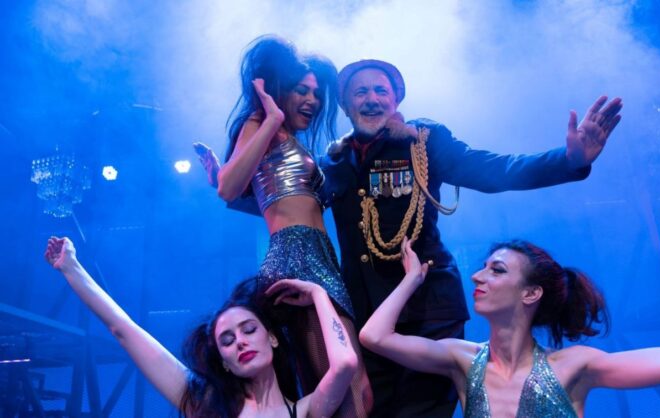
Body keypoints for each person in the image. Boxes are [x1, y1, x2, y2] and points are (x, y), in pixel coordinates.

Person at [318, 59, 623, 417]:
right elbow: (281, 203)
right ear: (345, 105)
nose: (371, 99)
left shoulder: (423, 141)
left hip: (428, 311)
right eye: (360, 92)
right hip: (365, 316)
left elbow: (494, 169)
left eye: (380, 90)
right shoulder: (332, 161)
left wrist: (569, 160)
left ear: (396, 100)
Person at [360, 199, 660, 417]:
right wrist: (412, 280)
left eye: (497, 270)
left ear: (531, 293)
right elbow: (374, 336)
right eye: (483, 267)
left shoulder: (574, 366)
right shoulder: (461, 360)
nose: (477, 276)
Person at [193, 35, 371, 416]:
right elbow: (228, 188)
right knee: (349, 388)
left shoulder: (293, 141)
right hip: (296, 258)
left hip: (320, 258)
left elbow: (278, 201)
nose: (312, 100)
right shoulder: (262, 122)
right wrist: (271, 117)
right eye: (301, 91)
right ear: (278, 91)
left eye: (316, 93)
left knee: (347, 388)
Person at [44, 236, 359, 417]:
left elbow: (345, 363)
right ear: (224, 361)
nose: (240, 341)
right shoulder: (206, 404)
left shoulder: (304, 411)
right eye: (227, 340)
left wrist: (318, 294)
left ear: (273, 338)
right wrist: (71, 269)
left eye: (249, 330)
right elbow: (123, 330)